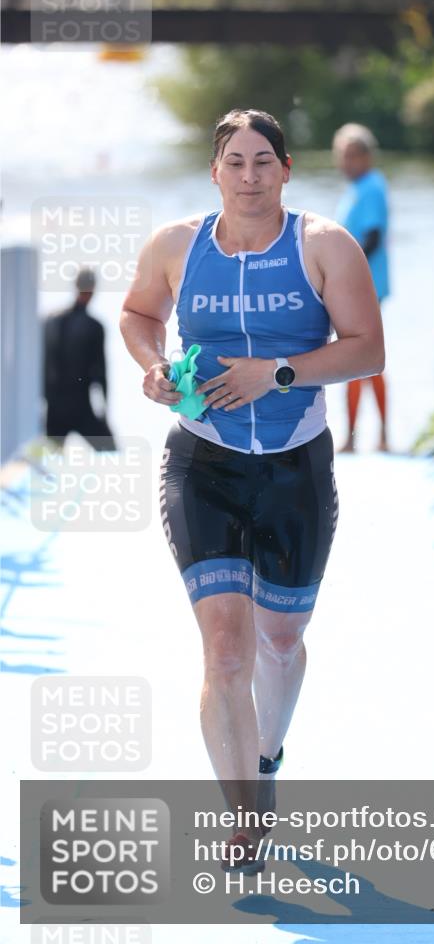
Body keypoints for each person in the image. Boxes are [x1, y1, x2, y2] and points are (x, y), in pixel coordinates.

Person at [120, 108, 384, 873]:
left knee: (279, 641)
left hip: (295, 468)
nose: (248, 176)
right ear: (214, 173)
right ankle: (243, 816)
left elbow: (368, 349)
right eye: (234, 162)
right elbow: (139, 315)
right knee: (226, 651)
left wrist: (276, 372)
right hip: (201, 464)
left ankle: (266, 755)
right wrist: (155, 365)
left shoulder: (323, 246)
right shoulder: (175, 245)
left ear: (286, 169)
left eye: (262, 161)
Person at [333, 123, 390, 452]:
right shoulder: (357, 188)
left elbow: (372, 237)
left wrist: (343, 271)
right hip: (356, 285)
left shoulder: (371, 187)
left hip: (364, 285)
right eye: (342, 156)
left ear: (368, 157)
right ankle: (358, 436)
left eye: (354, 156)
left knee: (362, 358)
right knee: (359, 360)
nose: (347, 162)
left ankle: (373, 437)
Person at [43, 267, 116, 450]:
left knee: (49, 462)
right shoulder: (94, 326)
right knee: (111, 452)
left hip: (54, 407)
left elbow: (42, 365)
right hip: (81, 405)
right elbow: (101, 372)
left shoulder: (51, 321)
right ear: (92, 289)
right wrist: (105, 411)